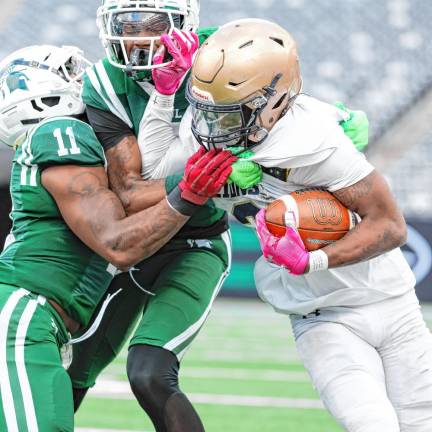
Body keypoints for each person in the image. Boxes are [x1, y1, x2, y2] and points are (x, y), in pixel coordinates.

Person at [136, 18, 432, 432]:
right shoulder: (214, 124)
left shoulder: (317, 141)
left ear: (275, 104)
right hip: (321, 315)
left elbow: (390, 227)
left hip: (391, 301)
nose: (210, 128)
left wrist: (312, 260)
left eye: (226, 115)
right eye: (205, 110)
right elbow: (150, 171)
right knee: (373, 424)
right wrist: (165, 98)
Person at [0, 44, 235, 432]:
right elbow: (118, 243)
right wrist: (188, 191)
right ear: (43, 95)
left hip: (45, 320)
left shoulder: (66, 143)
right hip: (24, 315)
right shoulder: (62, 132)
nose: (83, 79)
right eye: (70, 73)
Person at [68, 2, 253, 431]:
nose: (136, 35)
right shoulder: (104, 82)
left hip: (197, 242)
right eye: (126, 24)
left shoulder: (224, 56)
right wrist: (200, 183)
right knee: (71, 369)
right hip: (133, 241)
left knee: (150, 373)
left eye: (151, 23)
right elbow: (131, 192)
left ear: (184, 22)